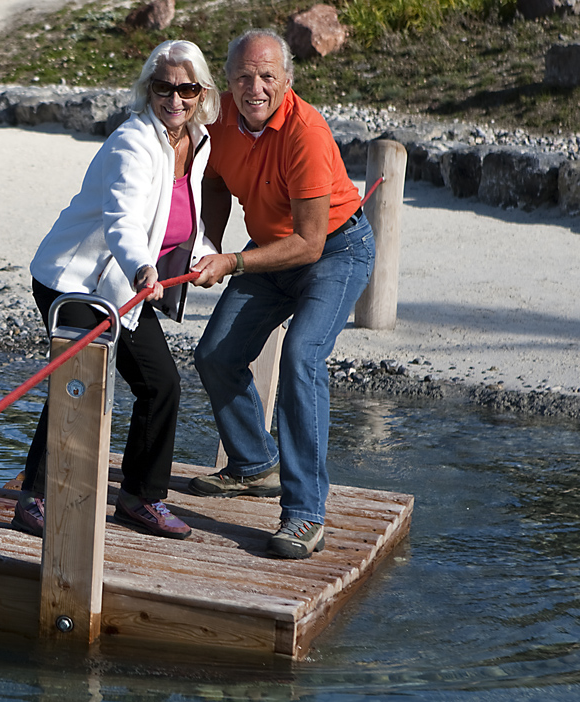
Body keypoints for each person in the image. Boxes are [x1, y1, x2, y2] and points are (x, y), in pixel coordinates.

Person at [12, 39, 221, 540]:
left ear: (202, 92)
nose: (174, 99)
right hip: (75, 281)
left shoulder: (197, 138)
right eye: (163, 88)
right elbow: (123, 221)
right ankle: (34, 499)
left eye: (186, 88)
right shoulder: (134, 142)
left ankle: (138, 499)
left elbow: (179, 218)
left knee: (160, 383)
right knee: (80, 382)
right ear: (148, 89)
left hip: (121, 284)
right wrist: (143, 267)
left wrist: (208, 255)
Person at [188, 29, 375, 559]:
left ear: (286, 80)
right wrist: (209, 240)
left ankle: (305, 515)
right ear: (227, 81)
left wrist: (231, 262)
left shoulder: (307, 132)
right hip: (270, 248)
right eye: (244, 76)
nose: (255, 86)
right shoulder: (218, 116)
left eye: (267, 76)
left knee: (301, 358)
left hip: (335, 251)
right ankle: (254, 465)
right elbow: (218, 180)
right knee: (215, 356)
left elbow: (310, 243)